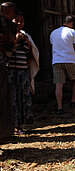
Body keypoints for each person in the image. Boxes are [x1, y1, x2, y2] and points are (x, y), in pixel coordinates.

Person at [8, 12, 39, 134]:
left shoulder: (26, 36)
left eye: (22, 21)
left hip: (22, 71)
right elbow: (6, 52)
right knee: (12, 98)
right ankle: (12, 125)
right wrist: (14, 41)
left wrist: (27, 43)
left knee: (22, 97)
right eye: (17, 20)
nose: (19, 23)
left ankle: (19, 125)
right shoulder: (6, 36)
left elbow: (32, 56)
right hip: (10, 71)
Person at [50, 15, 75, 114]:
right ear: (71, 23)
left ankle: (59, 107)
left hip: (57, 60)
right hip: (69, 60)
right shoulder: (72, 32)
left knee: (59, 85)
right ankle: (73, 100)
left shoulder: (53, 33)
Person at [0, 2, 17, 139]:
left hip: (2, 66)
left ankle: (4, 132)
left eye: (7, 13)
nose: (3, 15)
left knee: (4, 99)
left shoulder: (10, 27)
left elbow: (11, 47)